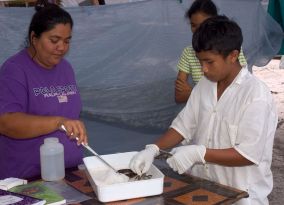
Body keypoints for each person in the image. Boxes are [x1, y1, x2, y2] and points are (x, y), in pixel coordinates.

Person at [130, 15, 278, 205]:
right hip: (201, 189)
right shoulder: (204, 86)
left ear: (233, 56)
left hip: (241, 197)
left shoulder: (255, 95)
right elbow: (183, 126)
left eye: (210, 62)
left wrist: (199, 153)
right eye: (200, 62)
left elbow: (248, 154)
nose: (204, 69)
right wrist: (153, 149)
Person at [0, 0, 88, 179]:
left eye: (67, 41)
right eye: (54, 40)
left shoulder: (66, 68)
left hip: (70, 172)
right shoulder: (14, 70)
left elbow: (71, 112)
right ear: (34, 38)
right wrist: (58, 122)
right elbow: (7, 123)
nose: (62, 47)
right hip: (28, 179)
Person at [175, 0, 247, 103]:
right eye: (193, 25)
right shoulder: (188, 52)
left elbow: (238, 88)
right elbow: (180, 95)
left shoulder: (228, 48)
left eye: (210, 61)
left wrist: (193, 93)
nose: (204, 69)